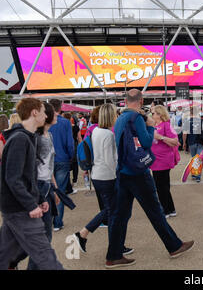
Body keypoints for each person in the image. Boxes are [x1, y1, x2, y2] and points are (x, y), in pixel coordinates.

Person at [106, 89, 193, 269]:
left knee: (120, 215)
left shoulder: (121, 117)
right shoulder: (136, 118)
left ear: (125, 100)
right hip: (138, 172)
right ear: (141, 100)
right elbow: (146, 142)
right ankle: (174, 246)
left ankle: (113, 255)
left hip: (123, 171)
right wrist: (151, 125)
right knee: (155, 211)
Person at [0, 98, 64, 270]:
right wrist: (31, 205)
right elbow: (13, 178)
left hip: (17, 207)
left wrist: (39, 198)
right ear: (34, 113)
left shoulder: (27, 138)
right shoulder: (21, 139)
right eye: (43, 111)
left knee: (5, 256)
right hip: (19, 209)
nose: (46, 115)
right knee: (45, 256)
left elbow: (29, 176)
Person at [73, 104, 133, 254]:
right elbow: (110, 161)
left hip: (98, 175)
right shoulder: (108, 134)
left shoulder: (96, 131)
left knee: (111, 211)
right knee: (112, 212)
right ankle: (84, 234)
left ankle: (89, 236)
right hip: (107, 177)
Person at [49, 99, 75, 232]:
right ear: (60, 108)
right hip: (62, 158)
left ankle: (48, 221)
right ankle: (58, 222)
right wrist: (71, 156)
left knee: (48, 191)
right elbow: (69, 143)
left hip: (47, 160)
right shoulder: (65, 122)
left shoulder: (43, 122)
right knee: (59, 190)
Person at [150, 105, 180, 218]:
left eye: (153, 113)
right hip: (156, 160)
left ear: (159, 114)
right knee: (162, 186)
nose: (151, 115)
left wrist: (161, 137)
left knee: (161, 186)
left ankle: (166, 210)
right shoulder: (153, 125)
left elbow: (175, 141)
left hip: (163, 160)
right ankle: (170, 209)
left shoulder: (166, 125)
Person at [183, 107, 203, 182]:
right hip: (200, 142)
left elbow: (185, 133)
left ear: (190, 113)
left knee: (194, 158)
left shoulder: (187, 121)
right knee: (199, 159)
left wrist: (184, 143)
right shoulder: (202, 120)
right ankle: (198, 176)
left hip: (191, 142)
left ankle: (194, 174)